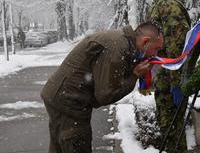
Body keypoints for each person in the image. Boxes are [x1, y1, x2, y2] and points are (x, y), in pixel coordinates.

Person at [41, 22, 163, 153]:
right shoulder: (118, 47)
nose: (155, 54)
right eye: (156, 49)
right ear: (145, 41)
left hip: (62, 96)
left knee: (60, 146)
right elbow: (105, 95)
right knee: (75, 144)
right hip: (69, 101)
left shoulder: (122, 41)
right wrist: (134, 75)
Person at [145, 0, 191, 153]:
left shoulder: (169, 5)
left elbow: (176, 47)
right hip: (163, 77)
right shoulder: (160, 3)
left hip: (170, 80)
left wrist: (176, 83)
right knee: (168, 129)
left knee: (173, 130)